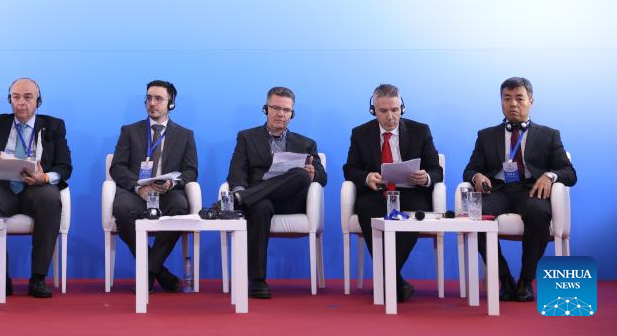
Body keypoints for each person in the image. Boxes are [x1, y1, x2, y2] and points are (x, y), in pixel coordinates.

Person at [463, 77, 576, 302]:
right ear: (501, 102)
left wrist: (550, 175)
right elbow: (469, 170)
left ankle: (526, 280)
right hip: (497, 191)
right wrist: (477, 176)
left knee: (538, 213)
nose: (513, 103)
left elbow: (570, 173)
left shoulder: (549, 135)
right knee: (472, 216)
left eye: (519, 98)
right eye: (507, 98)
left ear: (531, 101)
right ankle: (503, 278)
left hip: (531, 191)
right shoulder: (485, 135)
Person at [0, 78, 72, 298]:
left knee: (51, 200)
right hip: (2, 185)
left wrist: (44, 177)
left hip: (37, 186)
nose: (21, 102)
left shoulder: (54, 126)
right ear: (10, 100)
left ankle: (38, 278)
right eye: (16, 97)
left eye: (27, 97)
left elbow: (65, 167)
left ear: (38, 102)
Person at [343, 83, 442, 302]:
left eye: (395, 110)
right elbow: (350, 169)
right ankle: (395, 281)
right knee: (367, 208)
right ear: (374, 111)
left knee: (415, 212)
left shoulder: (420, 130)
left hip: (410, 192)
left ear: (402, 108)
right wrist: (367, 177)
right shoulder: (360, 133)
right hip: (377, 193)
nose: (390, 116)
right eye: (383, 111)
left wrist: (425, 177)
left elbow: (437, 171)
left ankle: (385, 278)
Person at [225, 86, 326, 299]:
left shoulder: (306, 143)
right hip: (261, 202)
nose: (280, 113)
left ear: (292, 114)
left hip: (290, 201)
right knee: (260, 206)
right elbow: (236, 172)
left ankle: (240, 199)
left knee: (300, 175)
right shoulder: (246, 137)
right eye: (275, 108)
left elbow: (323, 179)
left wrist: (312, 172)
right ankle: (257, 280)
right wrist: (240, 189)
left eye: (286, 110)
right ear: (266, 109)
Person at [110, 80, 198, 292]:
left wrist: (171, 182)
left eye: (158, 99)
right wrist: (138, 188)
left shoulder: (185, 135)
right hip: (137, 192)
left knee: (179, 207)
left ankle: (149, 272)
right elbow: (117, 167)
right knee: (122, 209)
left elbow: (190, 171)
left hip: (166, 193)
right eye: (148, 98)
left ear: (171, 104)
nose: (152, 103)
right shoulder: (129, 131)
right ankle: (159, 272)